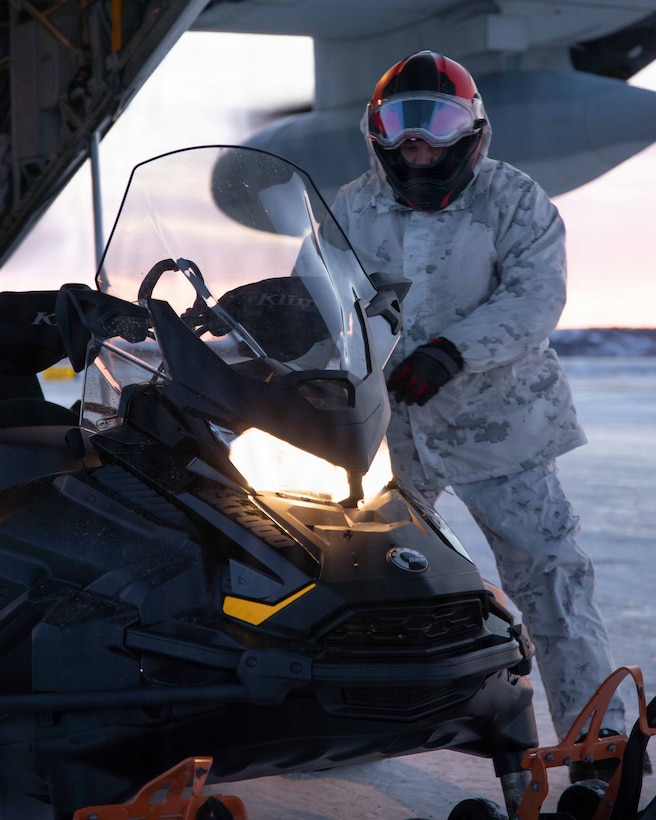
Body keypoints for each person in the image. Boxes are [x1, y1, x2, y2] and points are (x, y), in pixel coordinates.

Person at [330, 50, 630, 781]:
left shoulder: (514, 199)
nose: (416, 142)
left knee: (550, 580)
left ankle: (598, 745)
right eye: (400, 124)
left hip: (501, 431)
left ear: (470, 128)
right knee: (356, 578)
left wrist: (451, 352)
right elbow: (324, 294)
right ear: (376, 130)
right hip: (389, 432)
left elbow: (535, 297)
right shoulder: (351, 205)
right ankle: (344, 725)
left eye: (435, 122)